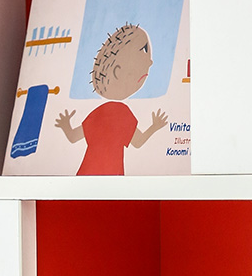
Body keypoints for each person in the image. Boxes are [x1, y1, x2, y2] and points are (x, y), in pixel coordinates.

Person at [55, 23, 168, 174]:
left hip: (86, 174)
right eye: (143, 50)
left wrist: (65, 125)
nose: (150, 62)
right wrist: (155, 126)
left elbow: (73, 137)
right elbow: (138, 142)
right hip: (112, 175)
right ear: (117, 72)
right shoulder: (122, 113)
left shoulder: (98, 112)